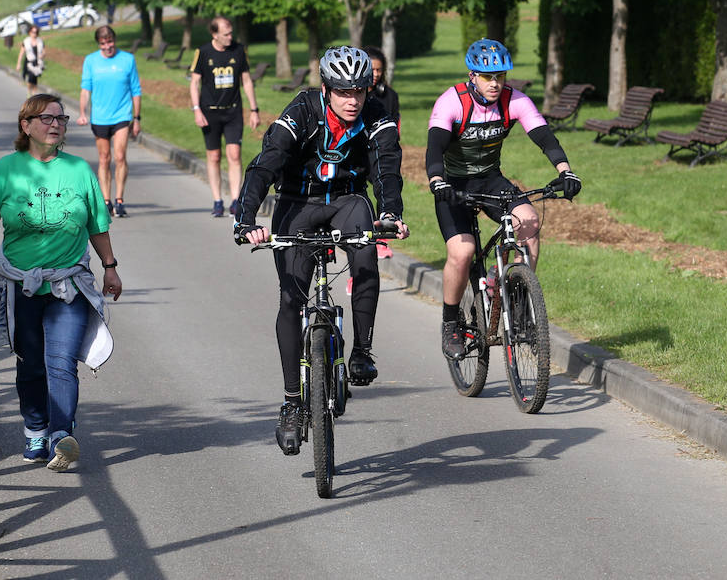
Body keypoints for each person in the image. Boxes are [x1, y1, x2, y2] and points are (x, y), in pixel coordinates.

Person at [232, 46, 410, 456]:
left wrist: (390, 214)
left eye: (360, 92)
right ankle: (292, 403)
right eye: (344, 92)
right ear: (326, 88)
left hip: (347, 200)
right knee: (290, 299)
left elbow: (387, 167)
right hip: (297, 203)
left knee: (365, 249)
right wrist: (246, 220)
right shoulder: (303, 112)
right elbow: (265, 163)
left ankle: (362, 352)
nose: (353, 101)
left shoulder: (376, 114)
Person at [0, 93, 122, 471]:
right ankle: (36, 428)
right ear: (26, 125)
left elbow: (98, 225)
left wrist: (109, 266)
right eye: (46, 119)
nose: (56, 125)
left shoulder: (80, 171)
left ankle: (62, 434)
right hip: (21, 287)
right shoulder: (7, 170)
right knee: (31, 363)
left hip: (69, 284)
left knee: (61, 362)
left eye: (61, 119)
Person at [427, 38, 582, 360]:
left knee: (529, 223)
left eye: (500, 75)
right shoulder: (451, 102)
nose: (496, 82)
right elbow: (435, 148)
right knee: (463, 251)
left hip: (491, 178)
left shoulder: (515, 100)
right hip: (453, 183)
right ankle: (450, 322)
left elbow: (544, 136)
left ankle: (519, 302)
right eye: (488, 76)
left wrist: (566, 171)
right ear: (472, 75)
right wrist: (437, 180)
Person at [189, 16, 260, 217]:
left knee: (234, 155)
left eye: (231, 33)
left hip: (233, 111)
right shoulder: (203, 53)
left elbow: (246, 81)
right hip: (209, 112)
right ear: (214, 34)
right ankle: (217, 200)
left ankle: (236, 200)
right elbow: (194, 83)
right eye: (226, 34)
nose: (230, 37)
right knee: (214, 156)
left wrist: (254, 110)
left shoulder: (238, 50)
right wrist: (196, 109)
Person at [76, 25, 142, 218]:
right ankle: (106, 200)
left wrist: (136, 119)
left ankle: (119, 199)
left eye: (110, 41)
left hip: (122, 115)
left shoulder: (127, 59)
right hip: (100, 117)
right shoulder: (91, 61)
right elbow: (85, 89)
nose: (107, 46)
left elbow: (136, 90)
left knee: (120, 156)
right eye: (103, 43)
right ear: (99, 44)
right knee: (104, 158)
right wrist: (82, 112)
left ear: (115, 40)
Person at [363, 46, 399, 258]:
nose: (375, 74)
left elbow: (395, 123)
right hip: (360, 152)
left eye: (379, 70)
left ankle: (382, 237)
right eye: (371, 69)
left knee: (385, 186)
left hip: (381, 150)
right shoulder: (354, 94)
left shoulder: (389, 96)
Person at [16, 23, 46, 97]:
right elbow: (21, 53)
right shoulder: (26, 41)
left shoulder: (40, 41)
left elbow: (44, 52)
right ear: (29, 32)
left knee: (35, 80)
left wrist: (42, 55)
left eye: (36, 32)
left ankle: (34, 95)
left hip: (38, 63)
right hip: (29, 62)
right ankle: (29, 92)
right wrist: (18, 63)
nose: (34, 34)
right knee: (30, 78)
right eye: (33, 32)